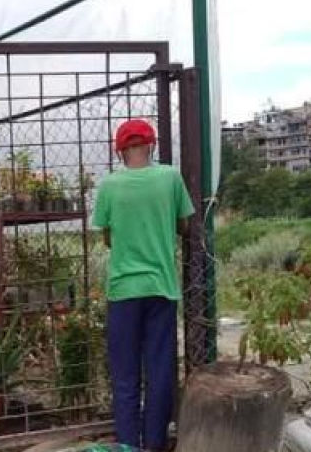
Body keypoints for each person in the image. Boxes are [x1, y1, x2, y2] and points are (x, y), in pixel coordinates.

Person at [91, 119, 194, 452]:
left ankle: (127, 444)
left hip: (123, 290)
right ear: (152, 145)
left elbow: (108, 238)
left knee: (125, 374)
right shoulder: (170, 178)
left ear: (119, 151)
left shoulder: (109, 185)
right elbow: (184, 225)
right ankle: (154, 443)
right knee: (160, 370)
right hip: (161, 287)